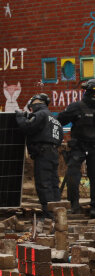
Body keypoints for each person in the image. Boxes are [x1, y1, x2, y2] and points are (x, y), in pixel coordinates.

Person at [15, 93, 63, 217]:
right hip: (53, 153)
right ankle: (58, 214)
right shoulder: (54, 118)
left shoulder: (41, 114)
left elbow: (27, 127)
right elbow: (60, 137)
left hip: (43, 154)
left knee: (44, 184)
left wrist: (20, 117)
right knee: (53, 184)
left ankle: (49, 216)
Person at [58, 78, 95, 217]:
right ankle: (83, 207)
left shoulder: (77, 106)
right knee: (79, 176)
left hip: (85, 147)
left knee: (77, 176)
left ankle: (79, 206)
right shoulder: (77, 107)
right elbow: (60, 120)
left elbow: (59, 120)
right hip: (83, 147)